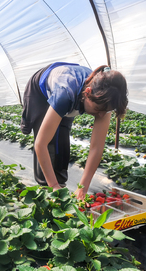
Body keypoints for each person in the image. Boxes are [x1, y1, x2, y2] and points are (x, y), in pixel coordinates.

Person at [20, 62, 128, 200]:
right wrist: (53, 186)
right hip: (40, 90)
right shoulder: (65, 94)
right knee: (50, 142)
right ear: (87, 93)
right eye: (98, 110)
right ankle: (46, 190)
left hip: (74, 95)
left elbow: (96, 148)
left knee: (62, 141)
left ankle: (61, 185)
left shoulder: (104, 100)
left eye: (106, 111)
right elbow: (41, 144)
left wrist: (82, 188)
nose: (101, 115)